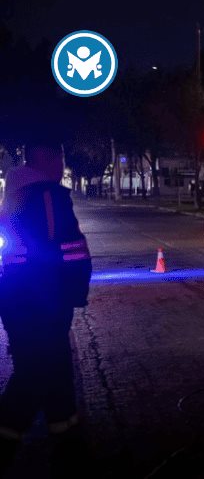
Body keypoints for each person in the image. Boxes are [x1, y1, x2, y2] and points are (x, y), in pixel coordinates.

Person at [0, 143, 92, 470]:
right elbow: (71, 250)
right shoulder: (49, 195)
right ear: (46, 159)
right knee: (35, 372)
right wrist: (76, 292)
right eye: (60, 158)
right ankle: (6, 437)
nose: (61, 165)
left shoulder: (14, 194)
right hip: (43, 299)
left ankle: (67, 440)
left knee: (56, 367)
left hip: (19, 296)